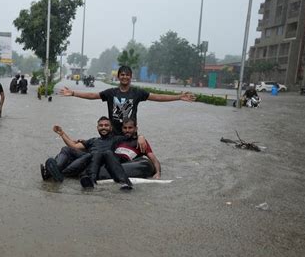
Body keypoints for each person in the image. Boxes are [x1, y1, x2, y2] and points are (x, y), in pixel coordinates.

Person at [60, 65, 196, 138]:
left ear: (131, 77)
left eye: (127, 75)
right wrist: (73, 93)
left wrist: (178, 97)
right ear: (118, 77)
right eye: (122, 75)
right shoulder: (111, 93)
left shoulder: (137, 93)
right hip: (112, 134)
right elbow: (92, 95)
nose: (125, 77)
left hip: (129, 134)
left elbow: (157, 97)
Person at [43, 117, 133, 190]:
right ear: (97, 128)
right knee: (66, 149)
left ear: (111, 128)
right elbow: (74, 146)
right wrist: (62, 133)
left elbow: (131, 135)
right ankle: (55, 169)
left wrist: (141, 137)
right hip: (86, 159)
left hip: (99, 161)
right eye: (101, 125)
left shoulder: (116, 139)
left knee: (91, 154)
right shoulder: (93, 140)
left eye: (106, 125)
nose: (103, 127)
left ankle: (53, 173)